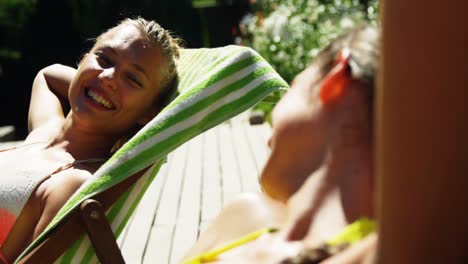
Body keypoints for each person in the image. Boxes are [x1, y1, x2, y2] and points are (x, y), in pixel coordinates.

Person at [182, 25, 379, 263]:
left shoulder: (384, 251)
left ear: (334, 84)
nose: (268, 139)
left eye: (294, 84)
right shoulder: (243, 215)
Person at [0, 17, 180, 263]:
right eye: (104, 58)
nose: (108, 77)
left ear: (149, 112)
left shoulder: (72, 182)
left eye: (133, 80)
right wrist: (89, 83)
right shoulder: (45, 131)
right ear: (83, 58)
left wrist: (94, 85)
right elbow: (48, 74)